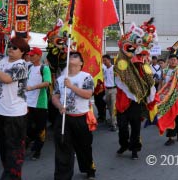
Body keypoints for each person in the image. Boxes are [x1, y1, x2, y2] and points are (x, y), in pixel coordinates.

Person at [0, 36, 30, 180]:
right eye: (10, 46)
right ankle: (11, 175)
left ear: (22, 51)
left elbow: (6, 79)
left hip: (14, 115)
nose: (10, 48)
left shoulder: (21, 65)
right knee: (4, 149)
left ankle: (11, 177)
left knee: (14, 151)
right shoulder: (2, 60)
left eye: (15, 47)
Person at [52, 51, 96, 180]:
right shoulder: (61, 79)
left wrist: (71, 86)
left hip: (81, 118)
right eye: (70, 56)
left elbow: (88, 94)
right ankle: (62, 176)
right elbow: (55, 96)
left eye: (76, 56)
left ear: (81, 63)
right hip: (65, 118)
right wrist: (59, 106)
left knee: (84, 147)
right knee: (63, 147)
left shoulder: (86, 76)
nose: (72, 57)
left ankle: (89, 168)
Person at [25, 47, 51, 160]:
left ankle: (37, 151)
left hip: (40, 104)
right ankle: (29, 144)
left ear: (39, 56)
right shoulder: (29, 67)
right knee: (27, 127)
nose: (30, 57)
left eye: (32, 55)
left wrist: (32, 87)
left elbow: (47, 82)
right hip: (28, 102)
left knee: (41, 128)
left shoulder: (44, 68)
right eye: (29, 55)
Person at [160, 54, 178, 146]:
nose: (172, 61)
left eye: (174, 60)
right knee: (169, 117)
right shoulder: (164, 71)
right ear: (168, 61)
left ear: (177, 61)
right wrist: (159, 96)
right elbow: (161, 84)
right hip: (167, 99)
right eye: (171, 59)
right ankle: (170, 137)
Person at [102, 54, 117, 131]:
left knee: (113, 107)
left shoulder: (114, 68)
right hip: (107, 90)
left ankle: (113, 124)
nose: (104, 62)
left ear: (109, 60)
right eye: (103, 61)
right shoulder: (104, 69)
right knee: (109, 106)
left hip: (114, 90)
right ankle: (113, 120)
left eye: (105, 60)